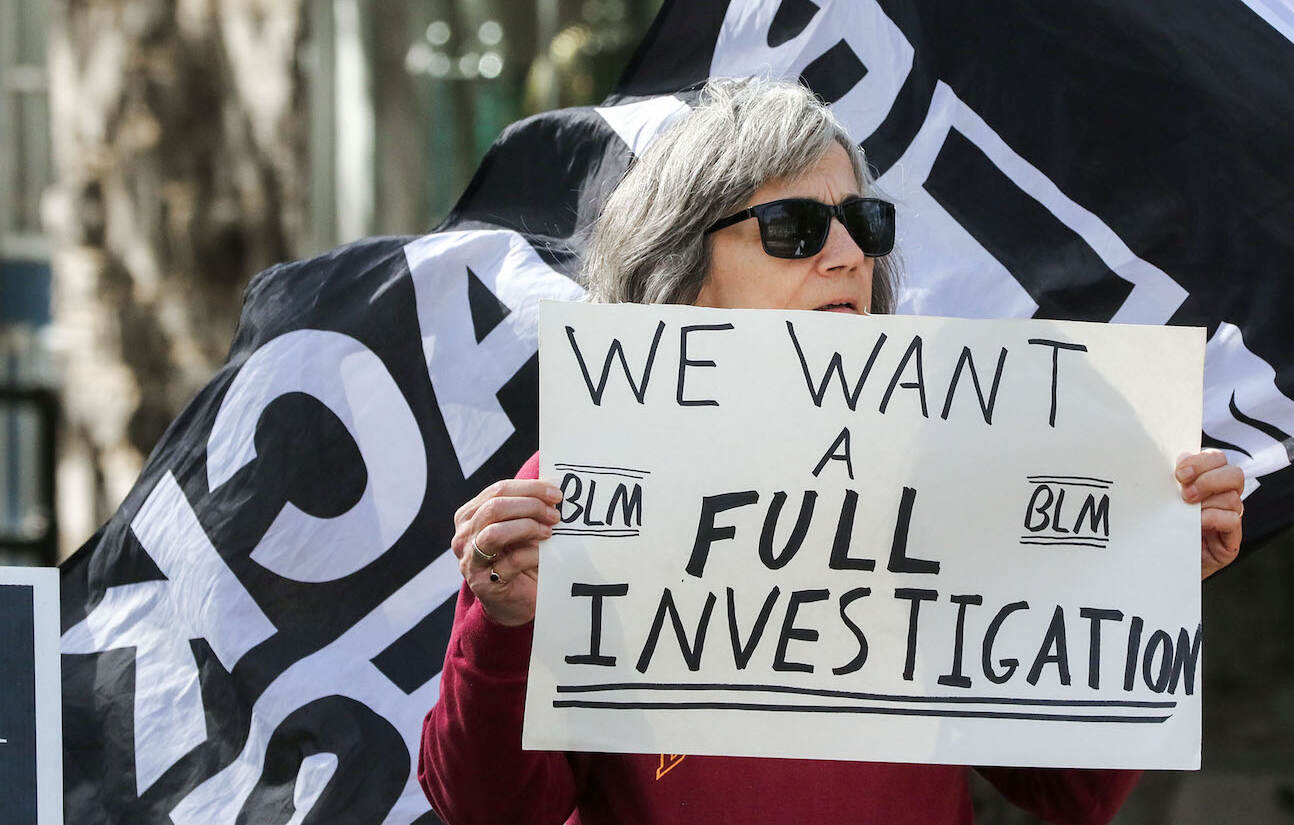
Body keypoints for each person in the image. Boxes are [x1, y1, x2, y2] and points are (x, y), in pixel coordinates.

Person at [418, 77, 1246, 825]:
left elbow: (1071, 790)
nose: (848, 253)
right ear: (680, 267)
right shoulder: (577, 486)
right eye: (794, 227)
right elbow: (487, 809)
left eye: (862, 221)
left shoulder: (952, 461)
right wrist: (507, 624)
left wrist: (1148, 577)